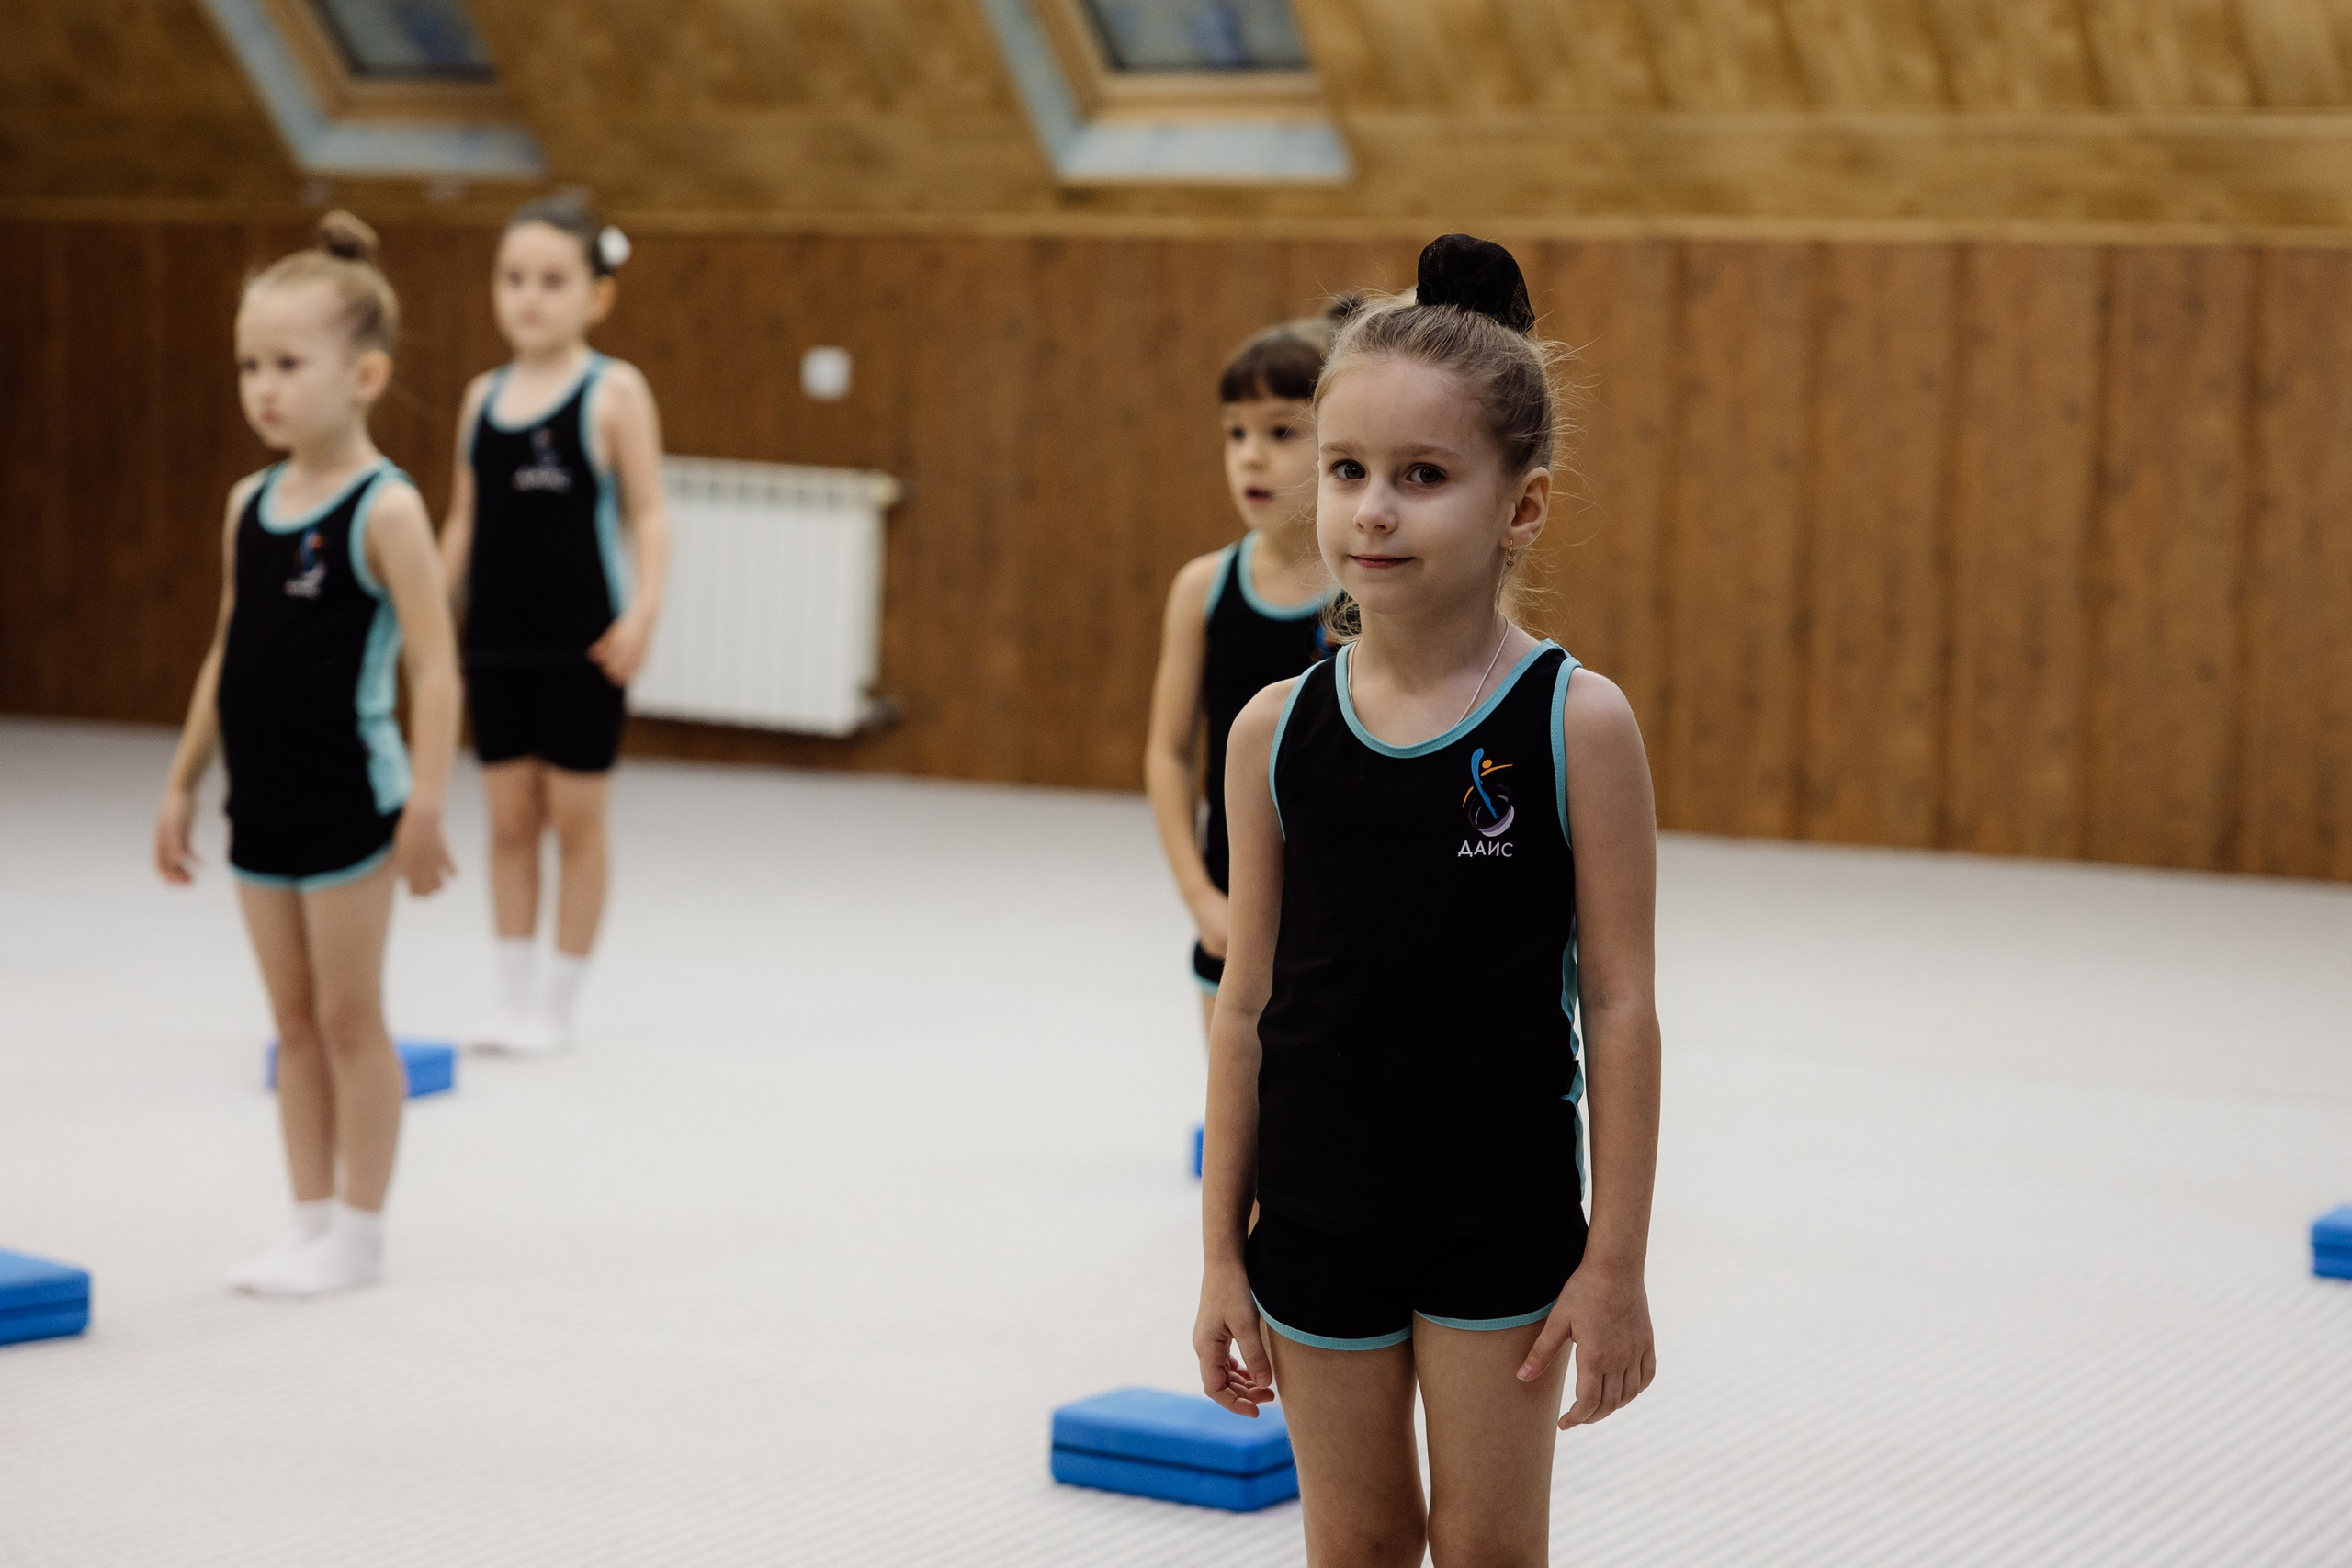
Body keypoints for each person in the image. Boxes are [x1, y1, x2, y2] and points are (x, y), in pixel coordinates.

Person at [1191, 236, 1662, 1566]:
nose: (1371, 511)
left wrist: (1613, 1262)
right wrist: (1223, 1250)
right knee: (1356, 1545)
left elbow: (1621, 1005)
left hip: (1497, 1222)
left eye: (1423, 476)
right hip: (1317, 1218)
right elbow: (1246, 1007)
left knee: (1488, 1551)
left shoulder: (1578, 722)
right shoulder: (1273, 728)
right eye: (1347, 471)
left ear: (1523, 504)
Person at [154, 211, 460, 1297]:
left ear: (367, 373)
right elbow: (227, 650)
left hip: (350, 798)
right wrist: (184, 780)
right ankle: (306, 1218)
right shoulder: (248, 503)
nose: (264, 387)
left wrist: (425, 803)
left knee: (346, 1015)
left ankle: (361, 1234)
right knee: (289, 1022)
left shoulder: (390, 511)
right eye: (249, 365)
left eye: (288, 363)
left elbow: (437, 667)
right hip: (261, 799)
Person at [438, 194, 671, 1054]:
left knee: (575, 818)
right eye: (512, 279)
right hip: (495, 636)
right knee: (507, 820)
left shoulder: (613, 392)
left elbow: (648, 511)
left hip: (584, 640)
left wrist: (644, 609)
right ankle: (511, 993)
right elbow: (463, 521)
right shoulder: (480, 400)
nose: (528, 298)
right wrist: (428, 614)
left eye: (551, 281)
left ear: (596, 296)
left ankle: (559, 1005)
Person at [1143, 302, 1351, 1040]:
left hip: (1344, 908)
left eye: (1280, 432)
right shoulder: (1203, 589)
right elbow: (1169, 752)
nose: (1250, 456)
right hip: (1234, 897)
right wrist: (1200, 895)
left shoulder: (1371, 597)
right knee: (1240, 1113)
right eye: (1235, 432)